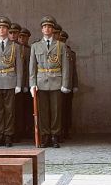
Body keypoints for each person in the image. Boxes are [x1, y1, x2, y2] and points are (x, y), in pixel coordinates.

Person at [29, 16, 71, 148]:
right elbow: (32, 66)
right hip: (41, 81)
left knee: (56, 110)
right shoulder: (35, 46)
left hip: (56, 80)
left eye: (49, 27)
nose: (47, 29)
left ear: (52, 29)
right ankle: (45, 135)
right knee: (43, 111)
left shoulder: (61, 45)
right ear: (41, 29)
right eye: (44, 27)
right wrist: (32, 83)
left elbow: (66, 67)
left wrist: (65, 83)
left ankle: (55, 136)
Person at [0, 16, 24, 147]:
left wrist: (19, 84)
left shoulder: (15, 47)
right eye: (0, 27)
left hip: (10, 80)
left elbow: (19, 67)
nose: (2, 30)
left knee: (10, 110)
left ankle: (8, 135)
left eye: (4, 27)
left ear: (8, 30)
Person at [59, 31, 78, 142]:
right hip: (56, 84)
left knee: (67, 110)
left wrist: (75, 84)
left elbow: (73, 71)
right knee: (58, 111)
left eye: (63, 40)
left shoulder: (71, 53)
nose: (61, 42)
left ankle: (65, 130)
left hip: (68, 85)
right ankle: (58, 132)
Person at [19, 27, 34, 139]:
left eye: (24, 37)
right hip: (17, 84)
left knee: (29, 109)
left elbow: (30, 69)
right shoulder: (15, 49)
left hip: (28, 84)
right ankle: (19, 130)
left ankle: (28, 129)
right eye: (20, 36)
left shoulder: (29, 50)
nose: (22, 38)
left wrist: (28, 84)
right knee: (18, 109)